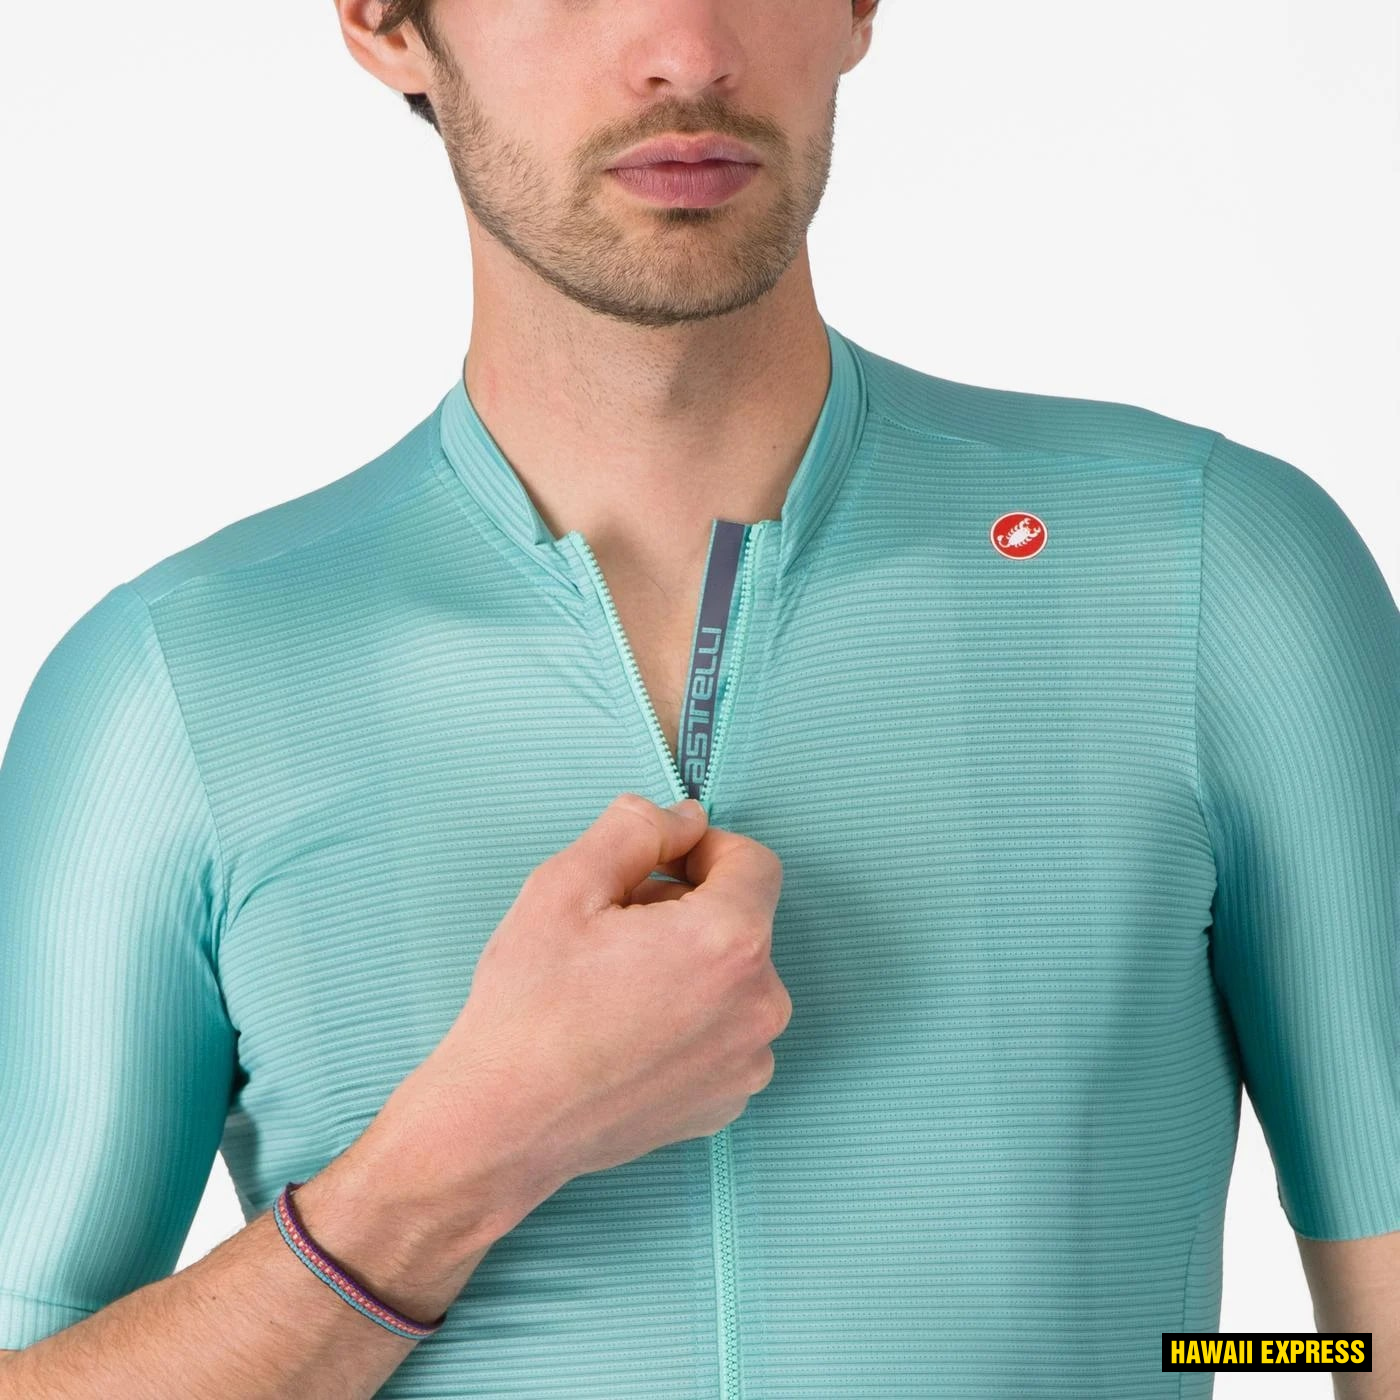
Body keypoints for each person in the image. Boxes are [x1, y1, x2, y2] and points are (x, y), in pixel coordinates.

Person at [1, 2, 1396, 1396]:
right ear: (385, 21)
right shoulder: (168, 692)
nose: (684, 46)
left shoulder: (1209, 569)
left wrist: (1179, 1354)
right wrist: (470, 1150)